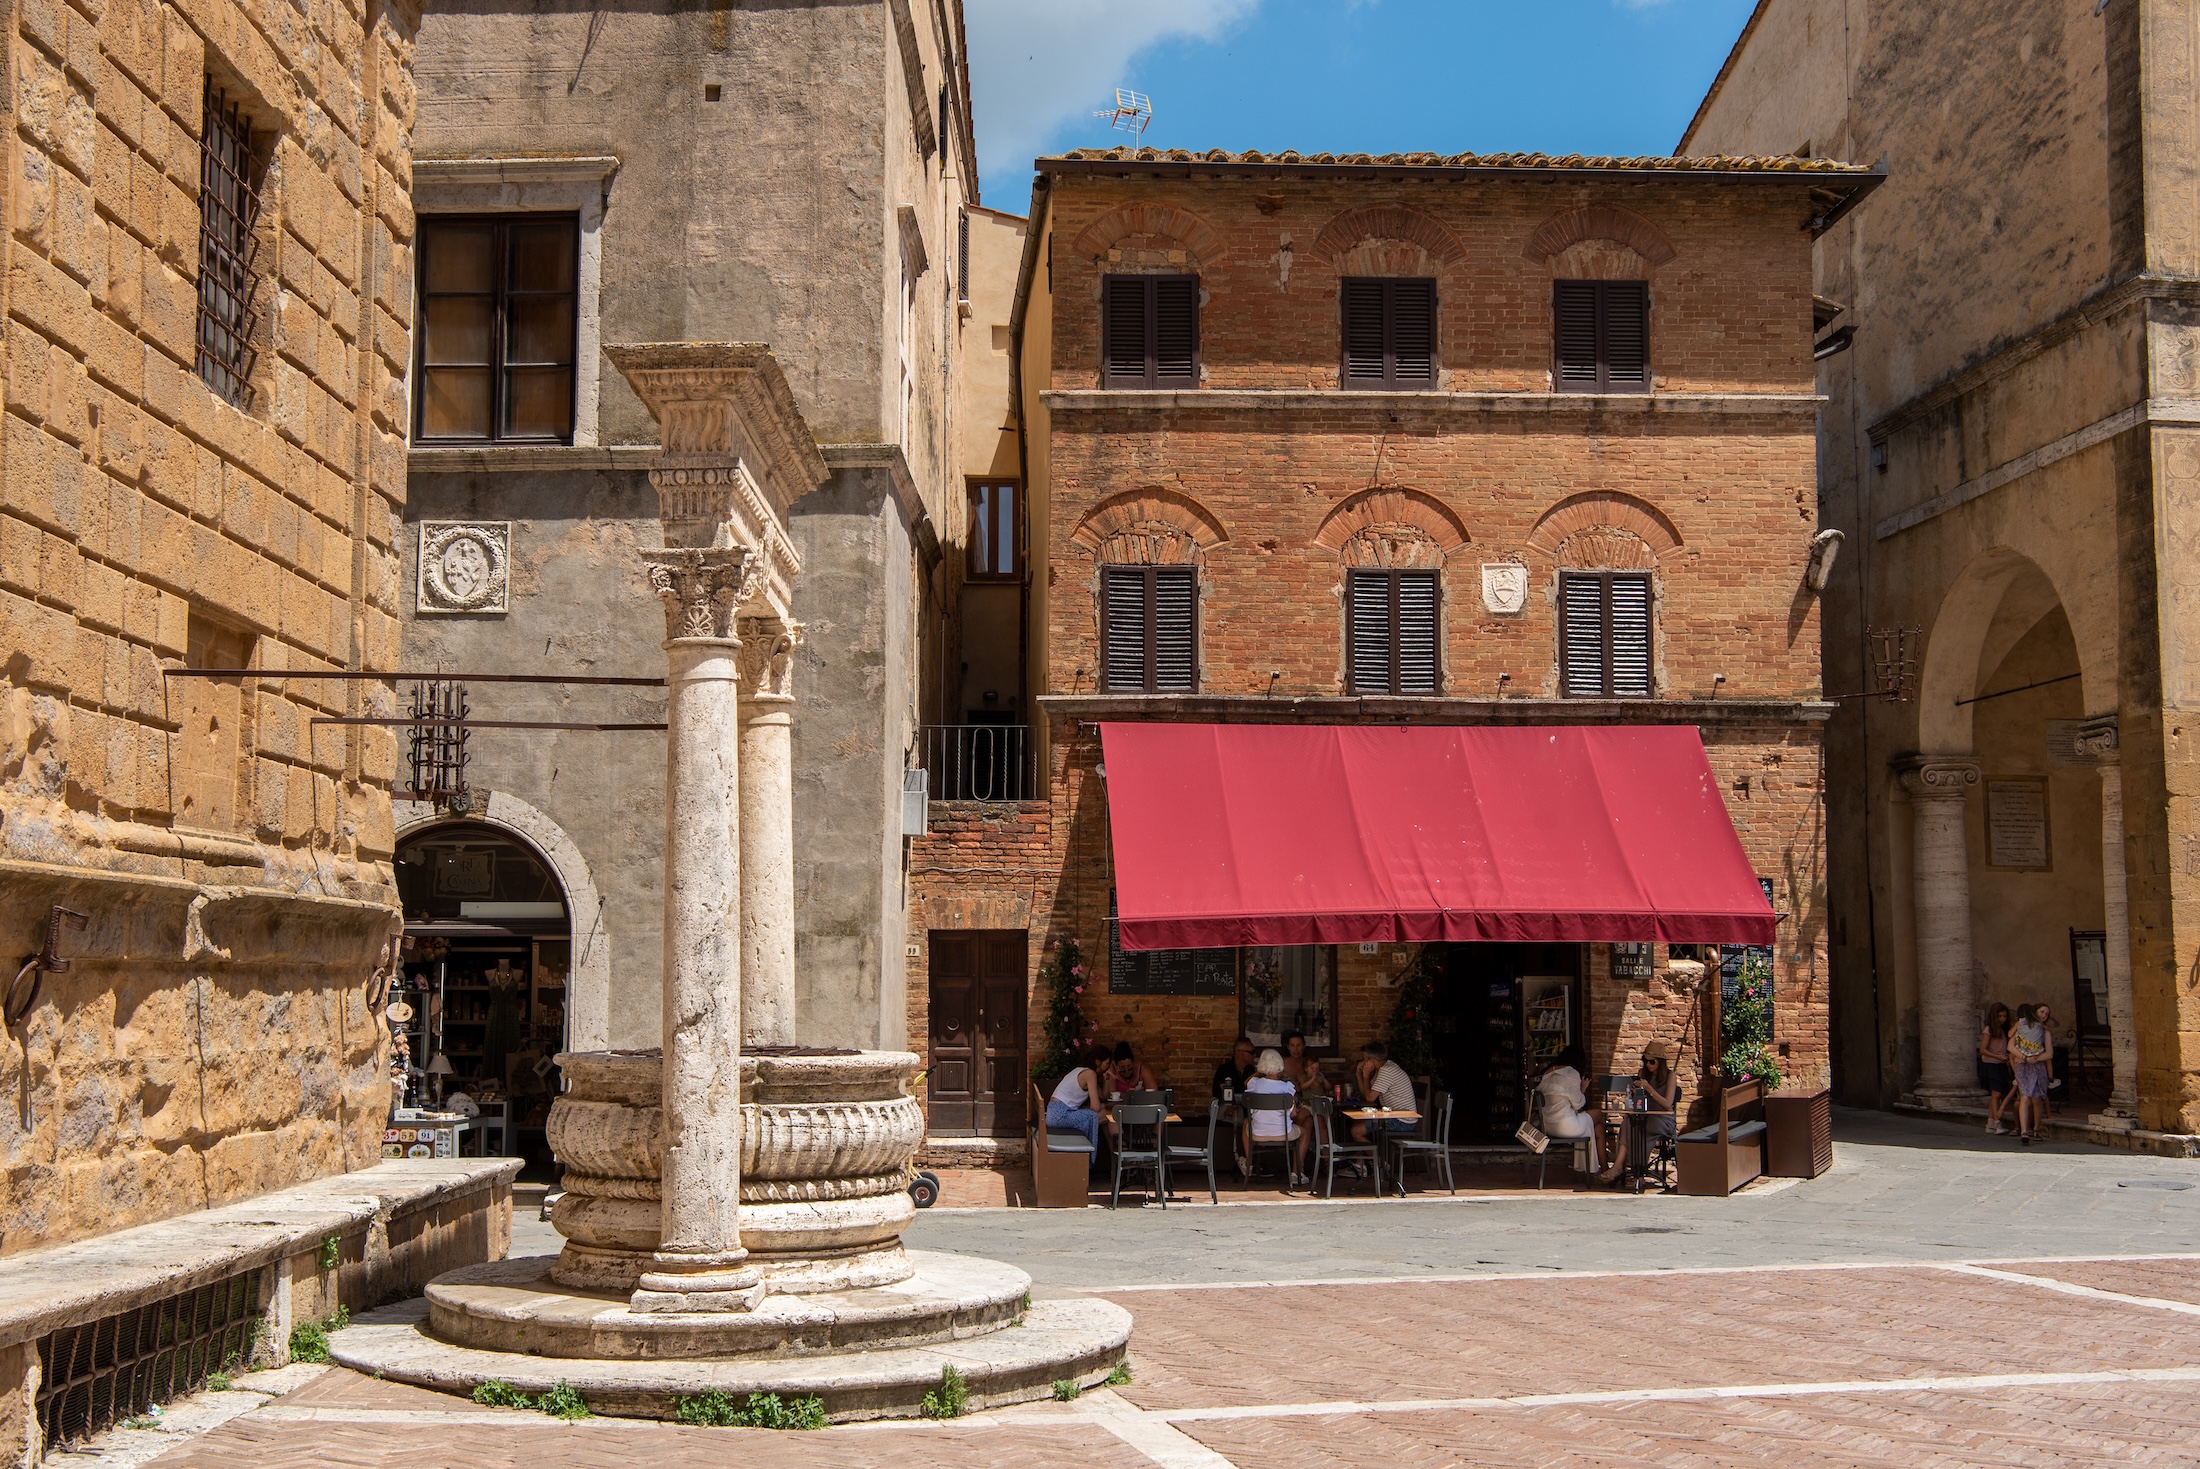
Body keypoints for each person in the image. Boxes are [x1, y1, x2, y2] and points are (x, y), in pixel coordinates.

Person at [1597, 1040, 1679, 1185]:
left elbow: (1667, 1104)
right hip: (1645, 1117)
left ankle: (1630, 1170)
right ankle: (1628, 1170)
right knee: (1630, 1122)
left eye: (1652, 1061)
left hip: (1663, 1118)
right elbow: (1639, 1103)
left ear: (1660, 1062)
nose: (1648, 1064)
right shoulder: (1643, 1073)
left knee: (1637, 1126)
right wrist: (1636, 1094)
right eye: (1645, 1061)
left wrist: (1649, 1089)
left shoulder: (1670, 1076)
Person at [1241, 1048, 1311, 1187]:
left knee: (1245, 1122)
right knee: (1304, 1131)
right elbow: (1294, 1115)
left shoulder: (1254, 1083)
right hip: (1283, 1133)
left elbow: (1247, 1082)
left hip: (1256, 1134)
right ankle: (1296, 1173)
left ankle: (1249, 1163)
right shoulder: (1287, 1087)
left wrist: (1260, 1072)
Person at [1535, 1045, 1599, 1173]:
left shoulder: (1547, 1073)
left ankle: (1600, 1168)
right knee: (1598, 1115)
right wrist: (1583, 1088)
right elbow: (1578, 1104)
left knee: (1598, 1128)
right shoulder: (1571, 1073)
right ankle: (1597, 1169)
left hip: (1548, 1126)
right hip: (1566, 1126)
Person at [1045, 1054, 1114, 1169]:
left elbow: (1103, 1095)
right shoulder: (1090, 1074)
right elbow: (1095, 1107)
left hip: (1055, 1113)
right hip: (1061, 1115)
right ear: (1098, 1062)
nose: (1108, 1067)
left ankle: (1113, 1158)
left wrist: (1107, 1079)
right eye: (1107, 1063)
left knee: (1104, 1116)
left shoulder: (1081, 1071)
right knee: (1105, 1116)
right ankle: (1107, 1158)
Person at [1350, 1041, 1419, 1146]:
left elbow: (1369, 1099)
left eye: (1365, 1059)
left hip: (1402, 1120)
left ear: (1372, 1060)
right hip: (1394, 1116)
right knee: (1357, 1122)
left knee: (1356, 1131)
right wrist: (1359, 1074)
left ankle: (1379, 1161)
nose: (1363, 1062)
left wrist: (1366, 1075)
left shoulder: (1387, 1071)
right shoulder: (1383, 1069)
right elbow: (1366, 1095)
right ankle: (1361, 1161)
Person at [2008, 1002, 2053, 1144]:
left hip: (2037, 1066)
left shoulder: (2045, 1032)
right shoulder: (2021, 1027)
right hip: (2022, 1065)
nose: (2044, 1015)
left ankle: (2037, 1129)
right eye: (2042, 1012)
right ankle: (2024, 1131)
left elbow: (2049, 1053)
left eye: (2046, 1014)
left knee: (2037, 1099)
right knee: (2025, 1097)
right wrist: (2024, 1058)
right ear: (2035, 1012)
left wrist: (2036, 1058)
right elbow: (2010, 1046)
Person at [1978, 1002, 2016, 1136]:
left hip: (2001, 1064)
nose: (2003, 1019)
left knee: (1998, 1094)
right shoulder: (1989, 1030)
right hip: (1991, 1064)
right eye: (2000, 1016)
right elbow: (1983, 1050)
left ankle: (1990, 1122)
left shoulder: (2005, 1030)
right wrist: (1998, 1056)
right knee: (1996, 1094)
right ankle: (1997, 1122)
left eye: (2005, 1016)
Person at [1282, 1030, 1328, 1103]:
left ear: (1304, 1046)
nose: (1296, 1049)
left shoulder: (1310, 1064)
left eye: (1299, 1045)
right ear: (1288, 1047)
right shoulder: (1281, 1064)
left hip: (1309, 1102)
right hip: (1287, 1102)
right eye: (1292, 1045)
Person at [1211, 1036, 1256, 1104]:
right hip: (1227, 1107)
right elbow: (1226, 1096)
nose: (1254, 1055)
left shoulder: (1250, 1069)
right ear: (1240, 1053)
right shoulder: (1224, 1070)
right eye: (1251, 1052)